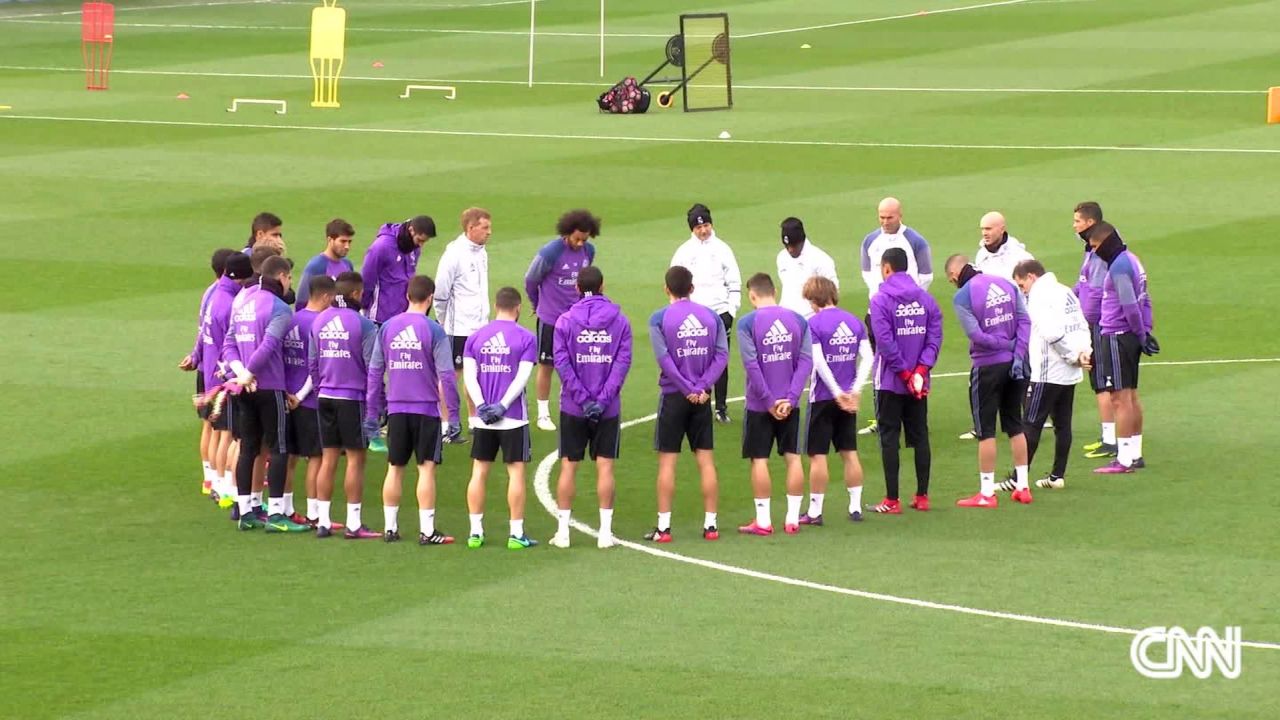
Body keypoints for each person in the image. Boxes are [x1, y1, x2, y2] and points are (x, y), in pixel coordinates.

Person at [365, 275, 458, 545]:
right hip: (426, 410)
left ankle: (390, 528)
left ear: (407, 296)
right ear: (429, 298)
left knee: (395, 467)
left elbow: (374, 372)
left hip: (396, 409)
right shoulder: (434, 330)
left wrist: (373, 411)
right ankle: (427, 531)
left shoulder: (388, 327)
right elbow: (447, 376)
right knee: (426, 468)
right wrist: (452, 415)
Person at [221, 255, 311, 532]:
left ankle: (246, 511)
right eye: (290, 278)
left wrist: (241, 375)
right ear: (281, 277)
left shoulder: (244, 302)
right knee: (279, 447)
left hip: (244, 389)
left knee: (248, 448)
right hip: (269, 386)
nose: (290, 283)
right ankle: (275, 515)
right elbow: (270, 345)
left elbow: (228, 344)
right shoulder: (280, 308)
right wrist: (250, 373)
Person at [644, 266, 729, 543]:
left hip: (673, 396)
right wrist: (702, 386)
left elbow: (664, 359)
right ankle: (711, 525)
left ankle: (664, 528)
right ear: (692, 288)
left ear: (666, 288)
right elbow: (721, 355)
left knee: (668, 462)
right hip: (702, 399)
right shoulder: (712, 317)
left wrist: (686, 387)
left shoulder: (659, 319)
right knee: (706, 461)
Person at [549, 266, 631, 549]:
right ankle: (605, 534)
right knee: (605, 467)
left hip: (573, 407)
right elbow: (622, 363)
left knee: (569, 466)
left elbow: (561, 363)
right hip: (607, 408)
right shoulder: (619, 321)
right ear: (602, 285)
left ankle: (563, 532)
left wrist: (583, 399)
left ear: (576, 288)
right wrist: (602, 399)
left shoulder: (565, 321)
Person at [946, 254, 1032, 508]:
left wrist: (1002, 345)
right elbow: (1025, 320)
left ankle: (986, 493)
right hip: (1017, 364)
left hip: (987, 366)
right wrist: (1017, 351)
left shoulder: (962, 296)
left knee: (986, 431)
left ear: (954, 275)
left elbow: (975, 334)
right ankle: (1023, 487)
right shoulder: (1006, 283)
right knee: (1015, 424)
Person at [462, 287, 540, 550]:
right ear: (517, 308)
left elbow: (469, 378)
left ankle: (475, 532)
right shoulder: (526, 337)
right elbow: (522, 377)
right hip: (514, 417)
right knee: (516, 473)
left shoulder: (476, 337)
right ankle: (515, 534)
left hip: (483, 419)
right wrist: (503, 405)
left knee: (479, 472)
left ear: (496, 306)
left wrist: (482, 406)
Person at [735, 273, 812, 536]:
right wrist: (790, 398)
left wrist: (768, 400)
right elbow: (805, 362)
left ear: (752, 295)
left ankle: (764, 521)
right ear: (774, 291)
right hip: (790, 403)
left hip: (760, 404)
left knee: (759, 460)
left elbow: (751, 364)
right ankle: (792, 519)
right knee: (793, 458)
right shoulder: (799, 321)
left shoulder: (746, 323)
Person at [868, 248, 941, 514]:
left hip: (890, 381)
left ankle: (892, 500)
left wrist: (905, 373)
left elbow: (885, 342)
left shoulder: (880, 300)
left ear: (887, 268)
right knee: (920, 436)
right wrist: (921, 370)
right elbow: (934, 338)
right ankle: (922, 496)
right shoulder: (926, 299)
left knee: (889, 438)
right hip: (918, 384)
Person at [1009, 260, 1092, 489]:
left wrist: (1072, 356)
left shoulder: (1038, 297)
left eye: (1021, 284)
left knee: (1031, 424)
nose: (1021, 290)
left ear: (1032, 277)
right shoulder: (1065, 292)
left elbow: (1052, 335)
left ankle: (1018, 480)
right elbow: (1081, 325)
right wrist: (1084, 352)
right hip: (1069, 373)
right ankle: (1057, 476)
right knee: (1063, 424)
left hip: (1048, 372)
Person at [309, 271, 380, 538]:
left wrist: (319, 389)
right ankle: (352, 523)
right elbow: (373, 370)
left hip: (325, 395)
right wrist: (374, 408)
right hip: (353, 398)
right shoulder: (364, 325)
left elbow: (312, 363)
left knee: (328, 458)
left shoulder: (320, 321)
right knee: (355, 459)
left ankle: (324, 522)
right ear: (356, 294)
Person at [799, 276, 874, 524]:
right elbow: (869, 358)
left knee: (817, 455)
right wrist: (853, 390)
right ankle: (855, 507)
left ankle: (815, 511)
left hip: (822, 397)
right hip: (848, 400)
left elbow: (818, 362)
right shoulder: (853, 321)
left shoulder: (814, 324)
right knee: (849, 452)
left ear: (814, 299)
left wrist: (835, 392)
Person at [858, 197, 934, 435]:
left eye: (889, 217)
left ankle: (912, 414)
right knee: (880, 365)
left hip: (909, 314)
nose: (885, 221)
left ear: (900, 215)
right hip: (878, 313)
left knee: (909, 361)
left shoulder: (916, 241)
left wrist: (908, 302)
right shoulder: (870, 240)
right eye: (881, 217)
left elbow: (926, 275)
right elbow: (866, 273)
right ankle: (881, 418)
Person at [524, 209, 600, 432]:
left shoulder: (589, 251)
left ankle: (575, 406)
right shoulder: (551, 252)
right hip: (551, 317)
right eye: (577, 238)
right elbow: (531, 279)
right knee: (547, 365)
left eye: (584, 239)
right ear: (567, 232)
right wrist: (536, 303)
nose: (579, 243)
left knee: (577, 364)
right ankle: (543, 413)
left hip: (576, 318)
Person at [1092, 222, 1156, 474]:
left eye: (1096, 247)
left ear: (1106, 242)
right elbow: (1145, 299)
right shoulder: (1133, 260)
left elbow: (1129, 304)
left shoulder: (1119, 266)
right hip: (1129, 335)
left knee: (1120, 398)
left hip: (1117, 336)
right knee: (1130, 395)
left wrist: (1140, 333)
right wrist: (1144, 332)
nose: (1095, 251)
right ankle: (1135, 454)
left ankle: (1125, 458)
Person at [670, 203, 741, 424]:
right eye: (699, 227)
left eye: (707, 225)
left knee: (721, 360)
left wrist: (731, 310)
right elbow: (673, 283)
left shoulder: (723, 249)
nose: (703, 230)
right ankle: (698, 403)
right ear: (692, 228)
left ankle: (721, 407)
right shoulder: (683, 252)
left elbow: (734, 282)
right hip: (694, 316)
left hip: (720, 313)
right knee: (696, 359)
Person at [179, 247, 238, 500]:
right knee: (223, 430)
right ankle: (220, 484)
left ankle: (210, 479)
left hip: (205, 366)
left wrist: (195, 355)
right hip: (219, 372)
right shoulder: (227, 299)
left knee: (210, 426)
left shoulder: (209, 294)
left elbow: (202, 330)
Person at [434, 207, 492, 443]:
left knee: (476, 375)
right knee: (451, 376)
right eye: (485, 227)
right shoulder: (454, 254)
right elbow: (440, 293)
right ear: (471, 228)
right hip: (458, 328)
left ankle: (475, 420)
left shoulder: (481, 252)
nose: (490, 232)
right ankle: (446, 424)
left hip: (480, 327)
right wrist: (444, 322)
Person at [283, 275, 333, 528]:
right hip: (308, 400)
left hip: (285, 397)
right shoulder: (320, 324)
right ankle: (314, 514)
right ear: (325, 296)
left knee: (290, 456)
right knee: (316, 457)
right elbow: (318, 368)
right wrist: (301, 396)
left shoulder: (291, 318)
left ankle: (288, 509)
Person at [1073, 202, 1120, 458]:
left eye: (1077, 221)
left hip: (1101, 324)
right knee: (1099, 381)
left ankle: (1111, 441)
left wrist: (1087, 318)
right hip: (1093, 322)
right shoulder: (1092, 248)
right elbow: (1083, 282)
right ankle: (1108, 436)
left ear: (1090, 223)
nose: (1074, 226)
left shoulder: (1102, 250)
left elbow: (1098, 289)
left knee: (1102, 382)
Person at [361, 215, 436, 325]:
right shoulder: (381, 246)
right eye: (419, 240)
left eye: (424, 241)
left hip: (403, 316)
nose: (421, 245)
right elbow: (367, 278)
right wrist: (364, 305)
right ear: (411, 230)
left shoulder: (414, 248)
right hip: (380, 318)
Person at [775, 216, 839, 319]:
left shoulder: (821, 259)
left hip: (811, 320)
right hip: (786, 318)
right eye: (787, 246)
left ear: (802, 240)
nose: (790, 250)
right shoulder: (781, 257)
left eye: (794, 245)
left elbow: (833, 292)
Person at [295, 219, 355, 309]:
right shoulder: (316, 266)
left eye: (349, 242)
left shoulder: (348, 265)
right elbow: (301, 302)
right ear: (330, 240)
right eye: (343, 241)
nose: (347, 246)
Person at [973, 211, 1034, 281]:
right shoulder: (981, 255)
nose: (984, 233)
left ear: (1002, 229)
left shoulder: (1021, 257)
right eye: (982, 229)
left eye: (988, 229)